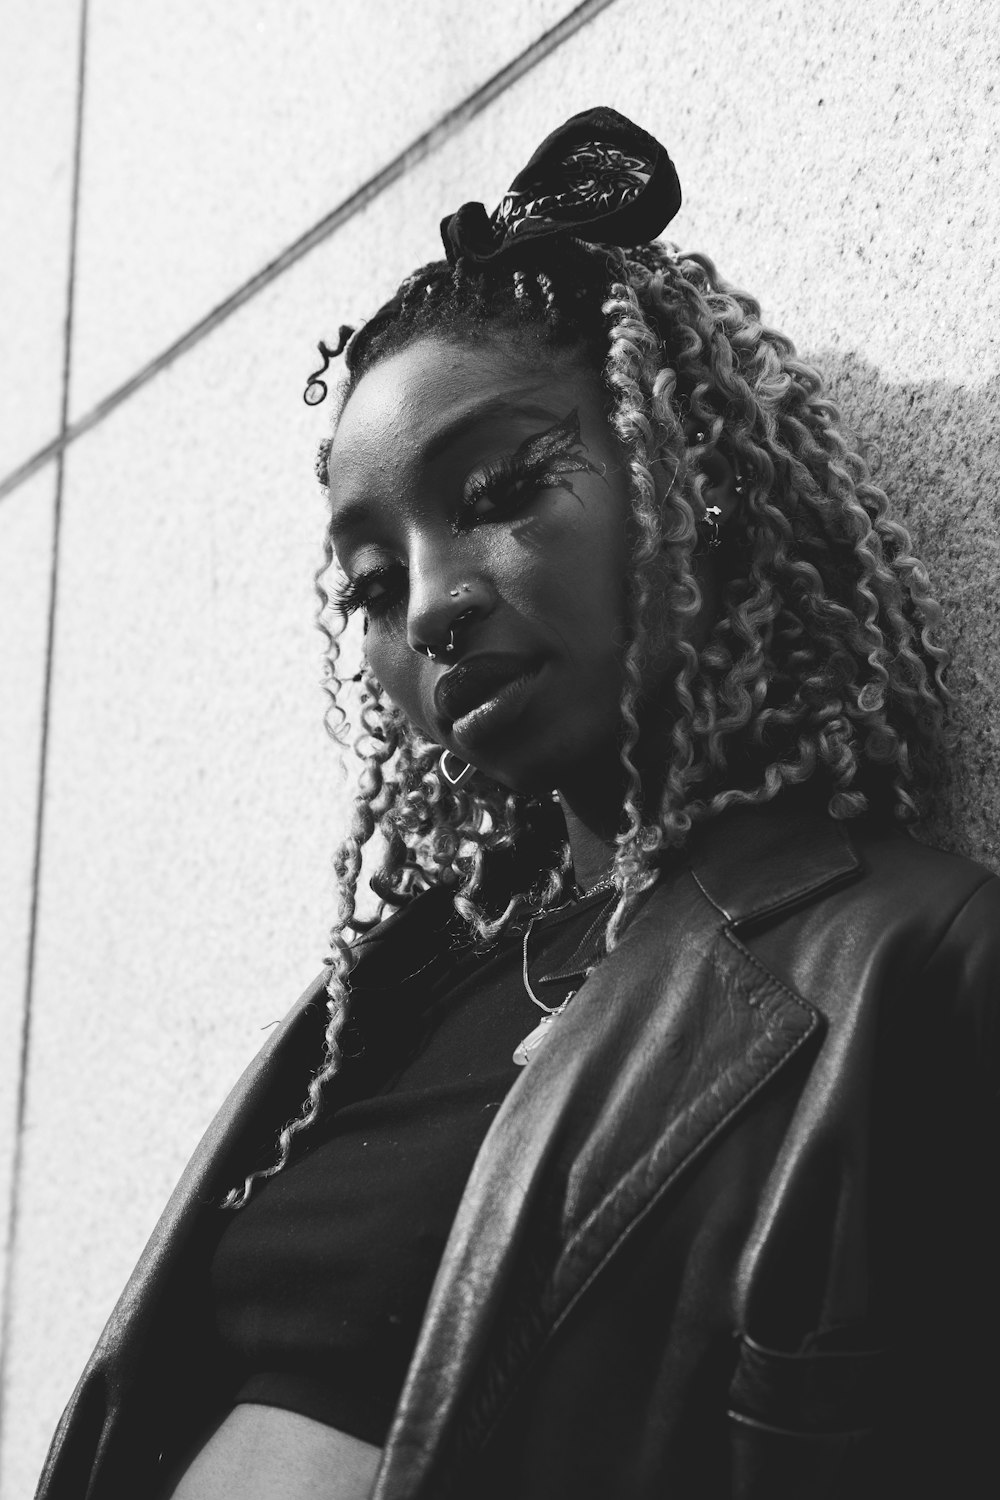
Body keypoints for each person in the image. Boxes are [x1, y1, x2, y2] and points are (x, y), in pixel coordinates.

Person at [36, 107, 998, 1500]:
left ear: (693, 480)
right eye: (369, 584)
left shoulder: (905, 963)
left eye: (496, 493)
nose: (427, 606)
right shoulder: (398, 989)